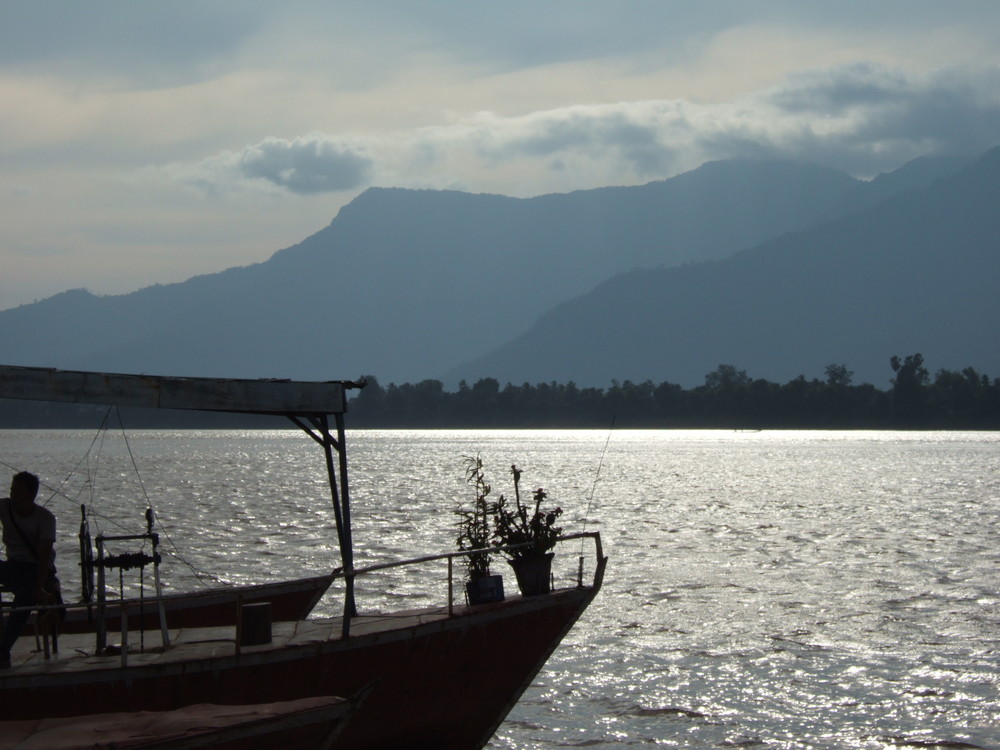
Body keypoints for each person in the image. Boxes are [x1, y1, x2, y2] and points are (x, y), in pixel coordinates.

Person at [0, 471, 57, 667]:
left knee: (25, 597)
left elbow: (44, 558)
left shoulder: (45, 519)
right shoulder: (4, 507)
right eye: (12, 491)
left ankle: (2, 649)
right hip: (13, 566)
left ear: (32, 495)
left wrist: (40, 587)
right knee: (23, 592)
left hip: (36, 569)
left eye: (20, 492)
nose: (14, 496)